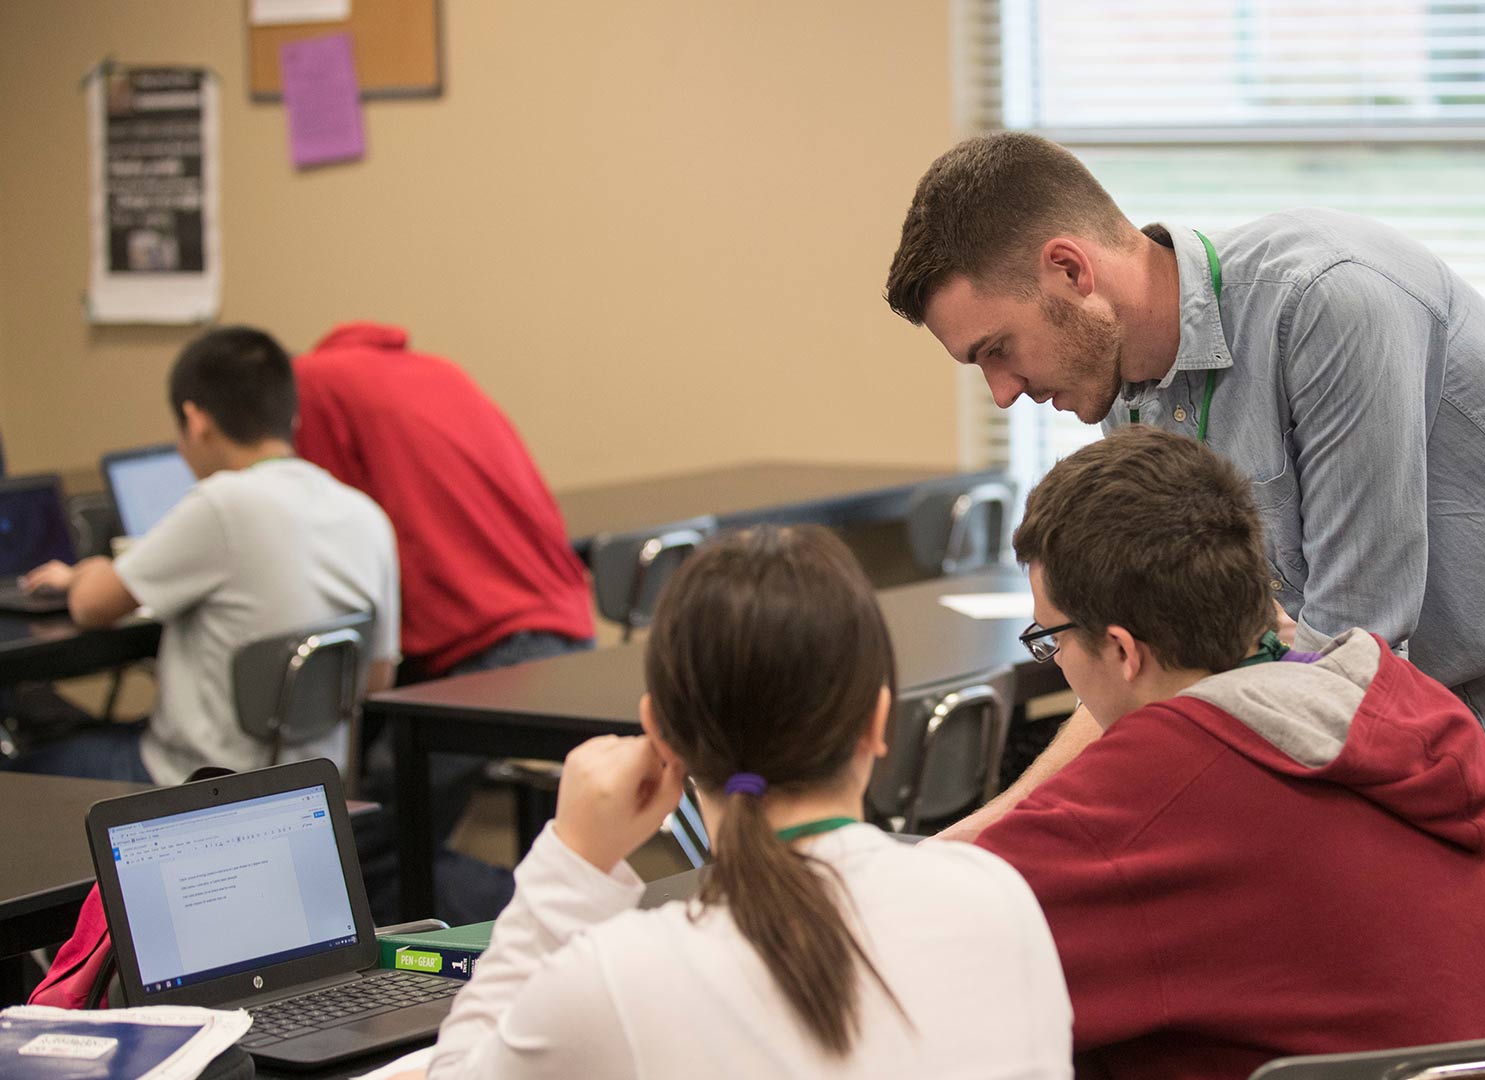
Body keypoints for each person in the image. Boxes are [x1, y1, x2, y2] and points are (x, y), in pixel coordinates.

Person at [886, 132, 1485, 1080]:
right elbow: (1158, 672)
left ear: (1070, 270)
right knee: (1444, 1042)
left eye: (998, 350)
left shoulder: (1329, 298)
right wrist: (983, 834)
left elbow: (1352, 651)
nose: (1003, 392)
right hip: (1435, 718)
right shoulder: (1134, 403)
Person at [970, 427, 1485, 1078]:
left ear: (1122, 650)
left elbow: (916, 948)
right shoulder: (1418, 710)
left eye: (1050, 638)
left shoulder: (1158, 782)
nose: (1055, 661)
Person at [427, 525, 1072, 1078]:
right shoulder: (1000, 900)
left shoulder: (619, 977)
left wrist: (570, 866)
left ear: (662, 738)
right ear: (879, 723)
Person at [13, 326, 399, 784]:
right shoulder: (365, 514)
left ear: (196, 420)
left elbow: (92, 606)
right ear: (291, 419)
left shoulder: (223, 503)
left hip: (203, 782)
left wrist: (86, 572)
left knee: (24, 765)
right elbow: (377, 678)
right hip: (314, 781)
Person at [291, 322, 593, 682]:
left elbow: (330, 527)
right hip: (564, 623)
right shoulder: (436, 370)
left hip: (483, 645)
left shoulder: (310, 384)